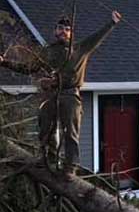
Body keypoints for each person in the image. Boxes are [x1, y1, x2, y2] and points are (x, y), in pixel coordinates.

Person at [0, 11, 121, 175]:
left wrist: (112, 23)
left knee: (70, 132)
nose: (63, 31)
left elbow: (97, 37)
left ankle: (70, 168)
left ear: (71, 33)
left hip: (70, 95)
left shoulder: (79, 48)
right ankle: (48, 159)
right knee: (46, 128)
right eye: (60, 28)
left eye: (67, 29)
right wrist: (5, 63)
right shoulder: (47, 51)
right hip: (51, 94)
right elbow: (29, 68)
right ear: (55, 31)